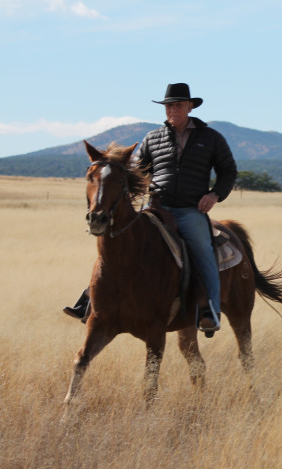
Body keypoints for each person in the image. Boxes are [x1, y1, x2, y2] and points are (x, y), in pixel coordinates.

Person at [64, 83, 238, 333]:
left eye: (178, 105)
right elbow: (136, 173)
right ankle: (89, 300)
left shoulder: (210, 138)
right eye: (169, 105)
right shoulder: (153, 138)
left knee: (203, 249)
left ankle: (209, 310)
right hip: (156, 206)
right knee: (119, 245)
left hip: (190, 209)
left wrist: (215, 194)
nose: (172, 110)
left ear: (190, 107)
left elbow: (228, 171)